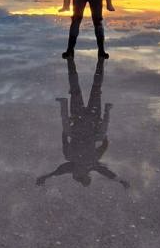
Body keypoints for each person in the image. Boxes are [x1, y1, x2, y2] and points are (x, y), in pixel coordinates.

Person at [35, 58, 129, 188]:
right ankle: (76, 63)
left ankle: (98, 62)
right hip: (80, 119)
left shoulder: (90, 163)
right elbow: (64, 141)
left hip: (90, 119)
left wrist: (100, 128)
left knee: (92, 89)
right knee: (77, 90)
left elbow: (104, 147)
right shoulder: (80, 162)